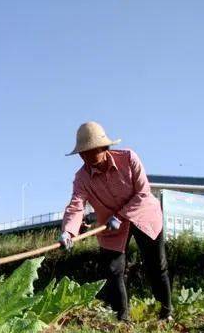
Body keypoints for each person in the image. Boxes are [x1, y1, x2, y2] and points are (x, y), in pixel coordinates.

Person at [59, 121, 173, 322]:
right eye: (81, 153)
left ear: (103, 148)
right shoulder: (82, 178)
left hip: (142, 214)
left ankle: (166, 312)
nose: (85, 157)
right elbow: (76, 206)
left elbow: (143, 193)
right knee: (113, 270)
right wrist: (68, 231)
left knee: (157, 265)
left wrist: (120, 216)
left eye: (89, 151)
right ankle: (122, 318)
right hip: (110, 226)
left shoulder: (128, 159)